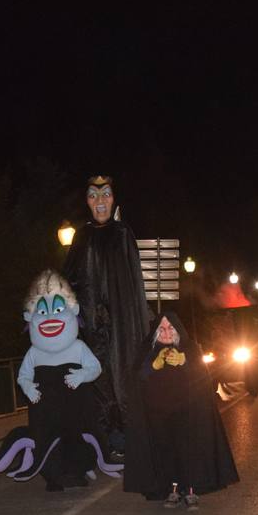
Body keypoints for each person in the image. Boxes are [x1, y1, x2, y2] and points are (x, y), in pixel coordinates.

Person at [0, 270, 122, 490]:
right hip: (45, 416)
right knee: (45, 443)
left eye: (58, 309)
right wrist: (28, 386)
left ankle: (77, 470)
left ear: (72, 311)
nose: (50, 317)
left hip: (75, 414)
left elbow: (95, 367)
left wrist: (82, 375)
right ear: (30, 317)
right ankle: (53, 477)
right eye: (42, 311)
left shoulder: (78, 347)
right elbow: (23, 375)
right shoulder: (34, 353)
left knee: (77, 440)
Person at [61, 175, 152, 458]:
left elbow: (134, 285)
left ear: (114, 199)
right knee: (96, 379)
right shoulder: (82, 237)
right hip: (90, 326)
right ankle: (107, 439)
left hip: (122, 325)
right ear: (87, 201)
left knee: (123, 375)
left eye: (106, 194)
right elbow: (68, 282)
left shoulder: (123, 234)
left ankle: (130, 436)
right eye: (93, 195)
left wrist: (136, 323)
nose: (100, 201)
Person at [124, 311, 238, 509]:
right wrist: (154, 365)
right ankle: (173, 491)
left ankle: (191, 490)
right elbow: (137, 379)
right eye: (162, 329)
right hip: (158, 415)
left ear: (177, 330)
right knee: (166, 453)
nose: (167, 333)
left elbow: (203, 376)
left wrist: (185, 362)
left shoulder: (190, 348)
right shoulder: (147, 350)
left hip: (188, 412)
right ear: (156, 332)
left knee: (189, 451)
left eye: (170, 328)